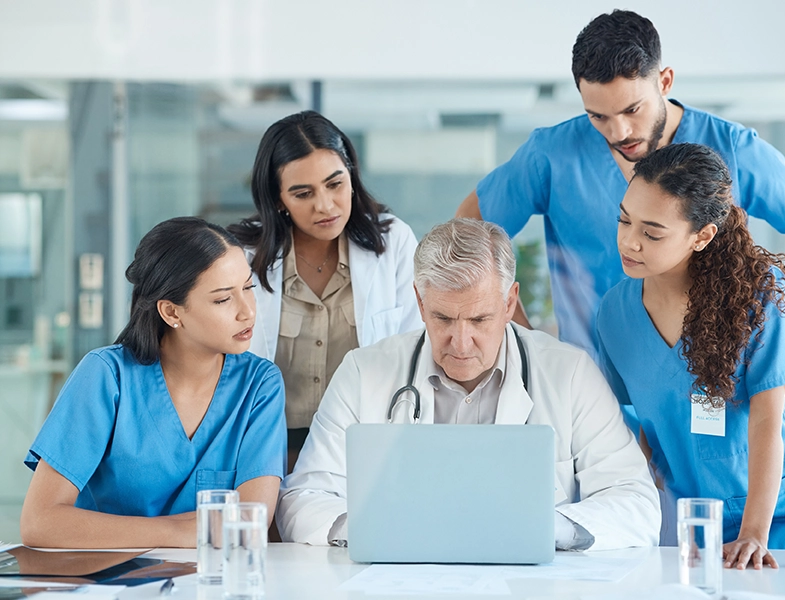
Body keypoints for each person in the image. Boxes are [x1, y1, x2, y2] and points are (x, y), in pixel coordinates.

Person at [456, 9, 785, 355]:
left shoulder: (733, 148)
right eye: (598, 116)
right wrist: (526, 345)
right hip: (594, 397)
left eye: (632, 109)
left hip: (710, 390)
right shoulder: (552, 153)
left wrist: (775, 341)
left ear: (664, 81)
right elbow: (469, 228)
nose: (618, 131)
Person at [277, 218, 660, 551]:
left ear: (510, 303)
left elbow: (635, 502)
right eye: (443, 318)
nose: (460, 343)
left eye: (479, 320)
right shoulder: (364, 372)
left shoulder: (570, 373)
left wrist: (546, 527)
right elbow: (301, 500)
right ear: (420, 302)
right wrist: (375, 528)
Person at [596, 144, 785, 571]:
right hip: (691, 522)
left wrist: (755, 534)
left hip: (774, 520)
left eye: (652, 232)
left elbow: (766, 421)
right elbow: (642, 427)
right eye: (624, 220)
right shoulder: (615, 313)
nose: (629, 241)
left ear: (702, 236)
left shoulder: (760, 296)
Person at [20, 217, 287, 548]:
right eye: (222, 299)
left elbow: (249, 523)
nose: (248, 312)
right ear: (172, 312)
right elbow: (40, 522)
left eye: (248, 288)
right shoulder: (105, 375)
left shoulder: (259, 385)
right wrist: (178, 531)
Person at [229, 111, 422, 469]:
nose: (325, 205)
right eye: (303, 193)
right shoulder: (242, 256)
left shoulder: (393, 241)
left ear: (351, 174)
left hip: (364, 451)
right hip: (268, 451)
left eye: (335, 184)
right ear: (277, 199)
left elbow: (416, 350)